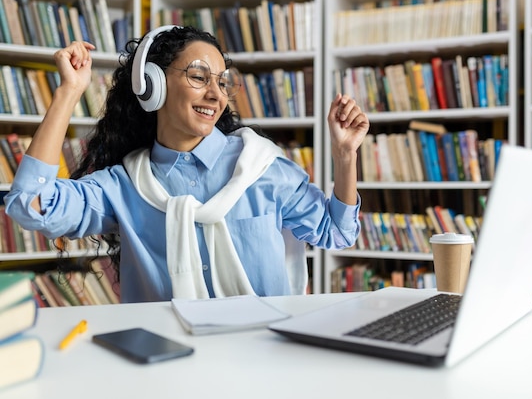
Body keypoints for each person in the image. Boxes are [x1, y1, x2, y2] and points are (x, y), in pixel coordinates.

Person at [3, 25, 370, 303]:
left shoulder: (262, 167)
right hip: (166, 367)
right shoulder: (125, 185)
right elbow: (32, 206)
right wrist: (68, 92)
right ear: (153, 84)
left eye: (223, 82)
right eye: (198, 77)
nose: (215, 93)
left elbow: (337, 232)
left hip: (263, 363)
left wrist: (344, 157)